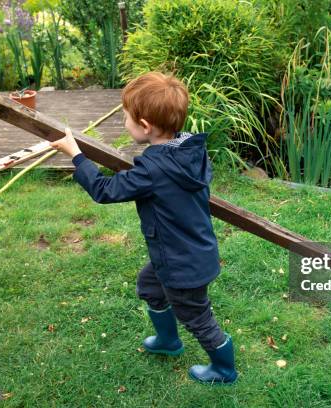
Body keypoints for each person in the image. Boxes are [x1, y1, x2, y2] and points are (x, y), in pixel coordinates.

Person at [49, 72, 238, 385]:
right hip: (186, 251)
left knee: (197, 317)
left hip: (182, 263)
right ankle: (168, 342)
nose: (124, 121)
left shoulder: (153, 169)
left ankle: (224, 369)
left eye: (125, 116)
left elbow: (104, 191)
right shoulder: (189, 148)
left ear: (146, 125)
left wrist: (76, 156)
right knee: (149, 286)